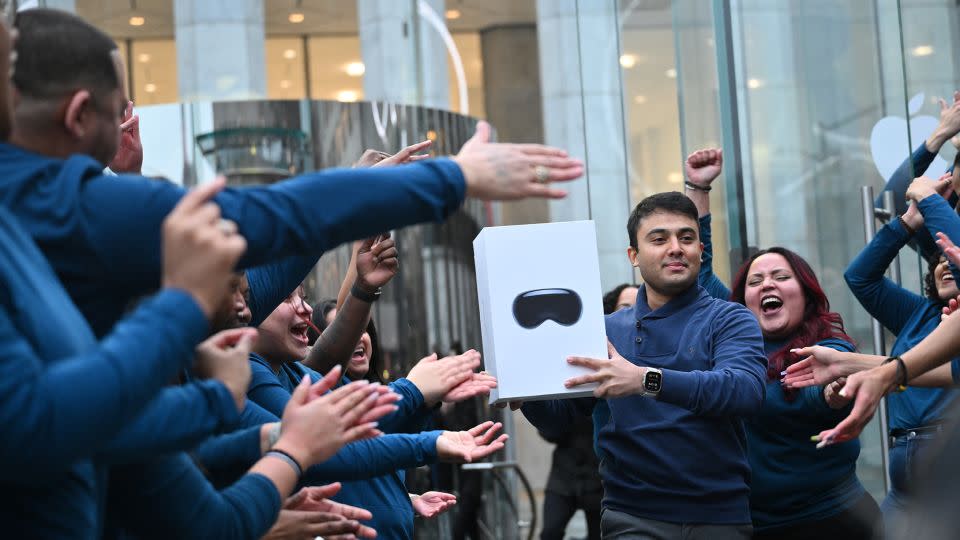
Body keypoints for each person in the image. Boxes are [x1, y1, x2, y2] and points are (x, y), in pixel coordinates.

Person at [520, 192, 767, 539]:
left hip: (720, 515)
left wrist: (645, 380)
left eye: (686, 237)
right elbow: (561, 418)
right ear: (633, 256)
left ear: (700, 249)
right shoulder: (603, 329)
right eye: (659, 238)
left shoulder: (730, 318)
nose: (676, 247)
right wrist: (524, 392)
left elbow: (744, 391)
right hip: (632, 516)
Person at [687, 148, 880, 538]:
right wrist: (698, 187)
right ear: (743, 302)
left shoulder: (830, 347)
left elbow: (824, 391)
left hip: (835, 523)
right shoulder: (736, 337)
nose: (767, 285)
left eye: (781, 277)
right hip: (755, 526)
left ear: (806, 294)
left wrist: (835, 395)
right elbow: (701, 270)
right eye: (755, 282)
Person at [247, 285, 507, 539]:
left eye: (303, 297)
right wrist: (417, 399)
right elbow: (340, 442)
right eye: (285, 298)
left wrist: (423, 399)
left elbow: (366, 433)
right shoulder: (252, 372)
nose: (302, 308)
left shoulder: (297, 373)